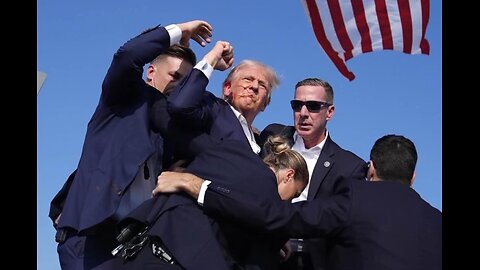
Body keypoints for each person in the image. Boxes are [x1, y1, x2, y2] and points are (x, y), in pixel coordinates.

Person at [50, 20, 215, 270]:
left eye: (185, 83)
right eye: (174, 76)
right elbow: (128, 56)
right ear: (151, 73)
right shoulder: (122, 98)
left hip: (134, 243)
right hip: (91, 238)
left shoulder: (175, 128)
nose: (178, 87)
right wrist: (181, 31)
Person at [154, 134, 443, 270]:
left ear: (371, 169)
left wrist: (199, 186)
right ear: (413, 177)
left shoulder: (356, 197)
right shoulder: (436, 221)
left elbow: (277, 216)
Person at [114, 134, 309, 269]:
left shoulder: (231, 150)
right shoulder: (269, 200)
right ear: (289, 175)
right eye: (294, 194)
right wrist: (274, 238)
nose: (288, 201)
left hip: (142, 246)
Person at [258, 77, 368, 269]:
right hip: (259, 248)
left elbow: (341, 224)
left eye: (313, 106)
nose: (303, 113)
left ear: (330, 112)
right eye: (297, 105)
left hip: (309, 260)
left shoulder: (349, 166)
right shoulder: (272, 135)